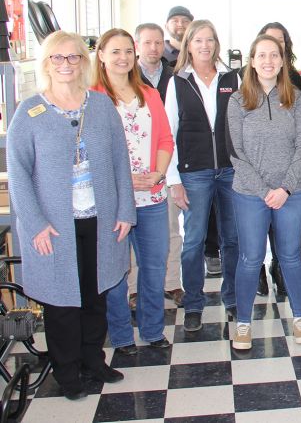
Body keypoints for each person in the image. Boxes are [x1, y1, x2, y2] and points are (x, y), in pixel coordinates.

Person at [7, 31, 135, 400]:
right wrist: (35, 225)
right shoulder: (28, 112)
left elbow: (119, 161)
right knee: (62, 300)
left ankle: (93, 359)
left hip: (100, 218)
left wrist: (126, 209)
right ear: (46, 64)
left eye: (73, 57)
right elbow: (18, 175)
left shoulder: (100, 105)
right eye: (57, 58)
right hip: (54, 226)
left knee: (96, 293)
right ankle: (67, 372)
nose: (65, 64)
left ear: (84, 61)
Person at [93, 28, 174, 355]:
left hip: (152, 197)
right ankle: (122, 335)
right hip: (112, 201)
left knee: (154, 267)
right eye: (115, 51)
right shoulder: (92, 98)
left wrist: (157, 173)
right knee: (115, 272)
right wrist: (121, 178)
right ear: (101, 55)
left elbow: (166, 139)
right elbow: (88, 151)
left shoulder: (149, 93)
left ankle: (153, 329)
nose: (123, 57)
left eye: (128, 51)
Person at [227, 34, 301, 349]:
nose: (268, 61)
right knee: (251, 258)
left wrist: (285, 187)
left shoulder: (295, 98)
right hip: (250, 194)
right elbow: (236, 154)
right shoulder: (237, 100)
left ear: (282, 60)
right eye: (261, 56)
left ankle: (300, 317)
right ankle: (245, 323)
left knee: (290, 255)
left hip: (292, 192)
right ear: (252, 61)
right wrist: (266, 191)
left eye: (274, 55)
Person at [164, 19, 241, 332]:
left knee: (232, 239)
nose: (204, 46)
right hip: (194, 172)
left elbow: (242, 125)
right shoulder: (178, 82)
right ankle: (194, 302)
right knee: (194, 240)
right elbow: (170, 132)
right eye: (198, 41)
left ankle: (233, 298)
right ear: (189, 45)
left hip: (230, 171)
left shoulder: (231, 78)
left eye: (210, 40)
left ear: (216, 44)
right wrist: (173, 180)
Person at [132, 22, 183, 308]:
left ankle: (172, 283)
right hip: (133, 166)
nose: (153, 48)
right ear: (137, 45)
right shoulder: (127, 77)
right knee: (131, 229)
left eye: (157, 43)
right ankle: (133, 288)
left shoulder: (174, 75)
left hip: (167, 162)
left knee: (170, 229)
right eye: (147, 43)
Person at [257, 21, 301, 295]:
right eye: (267, 44)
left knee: (284, 234)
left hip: (287, 175)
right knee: (256, 233)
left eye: (280, 43)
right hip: (257, 176)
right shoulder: (246, 83)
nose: (272, 52)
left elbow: (300, 135)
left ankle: (279, 266)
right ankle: (260, 271)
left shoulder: (294, 82)